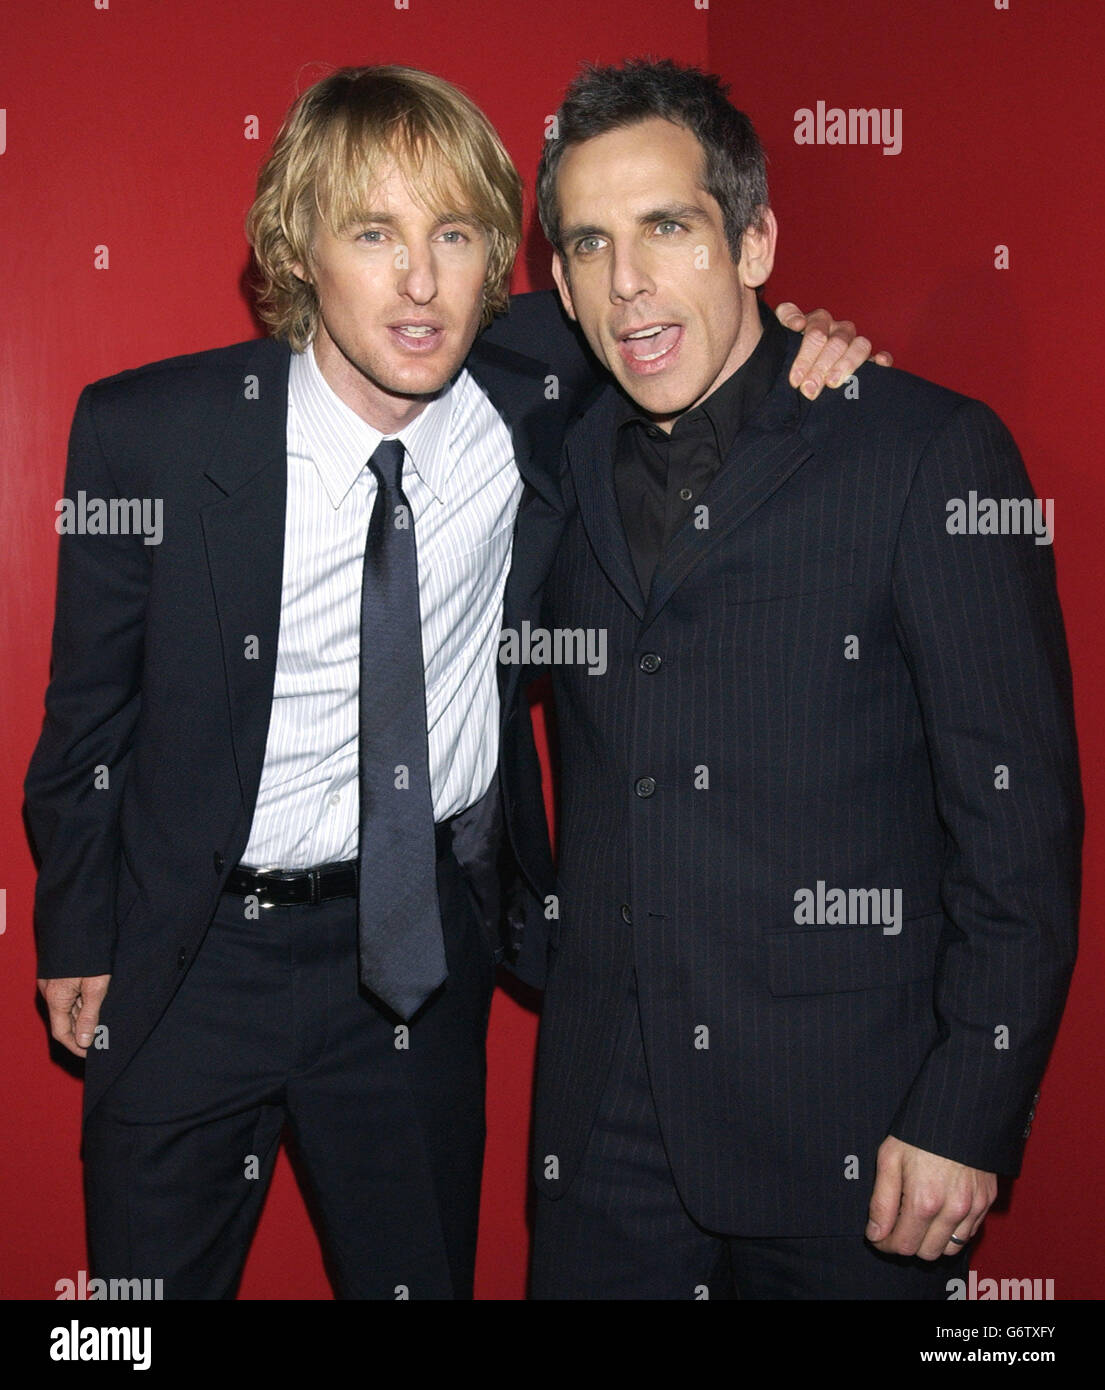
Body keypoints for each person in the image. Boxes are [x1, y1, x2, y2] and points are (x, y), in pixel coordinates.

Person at [25, 63, 871, 1300]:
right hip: (187, 958)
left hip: (410, 956)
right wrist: (78, 926)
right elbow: (87, 717)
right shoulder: (151, 434)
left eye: (455, 235)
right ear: (300, 247)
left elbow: (695, 321)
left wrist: (813, 338)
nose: (420, 283)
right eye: (373, 233)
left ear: (499, 263)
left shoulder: (542, 385)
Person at [503, 58, 1083, 1299]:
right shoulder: (541, 467)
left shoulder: (928, 452)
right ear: (556, 280)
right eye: (590, 244)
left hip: (856, 1131)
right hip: (603, 1132)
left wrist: (967, 1108)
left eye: (670, 228)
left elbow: (1018, 822)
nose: (630, 283)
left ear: (754, 240)